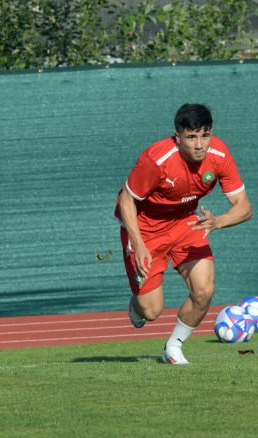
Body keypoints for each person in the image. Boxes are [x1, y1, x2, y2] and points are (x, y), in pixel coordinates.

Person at [116, 103, 252, 365]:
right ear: (177, 137)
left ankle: (174, 346)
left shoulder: (220, 155)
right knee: (151, 310)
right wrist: (138, 243)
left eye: (204, 135)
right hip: (146, 228)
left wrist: (218, 222)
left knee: (204, 290)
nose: (199, 144)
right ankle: (136, 304)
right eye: (191, 137)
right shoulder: (157, 160)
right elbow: (126, 200)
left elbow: (244, 208)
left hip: (186, 224)